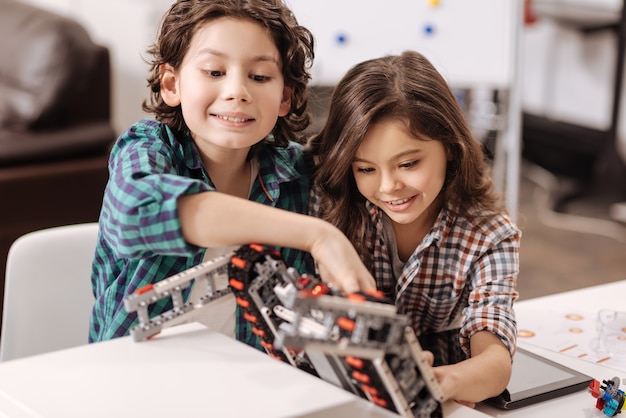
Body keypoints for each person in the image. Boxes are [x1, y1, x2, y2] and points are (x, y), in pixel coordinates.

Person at [89, 0, 375, 347]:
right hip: (134, 381)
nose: (237, 92)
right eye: (214, 71)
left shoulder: (300, 174)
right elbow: (138, 211)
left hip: (256, 387)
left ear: (285, 97)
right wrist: (318, 236)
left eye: (259, 77)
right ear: (171, 84)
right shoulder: (147, 148)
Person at [306, 50, 520, 405]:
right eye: (365, 169)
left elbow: (495, 363)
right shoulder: (329, 209)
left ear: (451, 147)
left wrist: (437, 381)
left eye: (407, 163)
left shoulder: (490, 235)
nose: (388, 186)